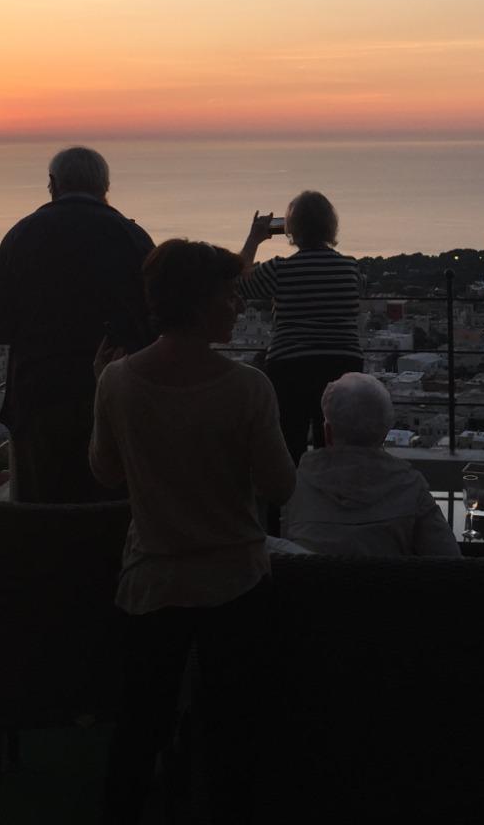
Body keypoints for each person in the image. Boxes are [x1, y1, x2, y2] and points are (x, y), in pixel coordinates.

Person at [90, 239, 296, 825]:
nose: (237, 307)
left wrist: (100, 390)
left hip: (152, 578)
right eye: (229, 296)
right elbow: (280, 486)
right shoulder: (248, 388)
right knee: (235, 733)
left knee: (138, 728)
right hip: (235, 582)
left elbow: (105, 472)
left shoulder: (118, 382)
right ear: (201, 303)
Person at [0, 146, 153, 502]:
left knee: (43, 507)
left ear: (52, 184)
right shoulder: (131, 237)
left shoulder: (21, 236)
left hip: (38, 396)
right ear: (104, 186)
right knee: (112, 503)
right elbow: (156, 320)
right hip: (114, 393)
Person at [238, 190, 364, 472]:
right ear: (331, 226)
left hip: (290, 365)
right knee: (336, 448)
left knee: (287, 446)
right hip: (343, 363)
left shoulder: (280, 270)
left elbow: (238, 283)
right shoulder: (350, 268)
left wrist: (254, 239)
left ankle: (282, 510)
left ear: (291, 230)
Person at [281, 372, 460, 558]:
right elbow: (449, 559)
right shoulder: (411, 487)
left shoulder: (298, 486)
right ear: (385, 432)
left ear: (327, 432)